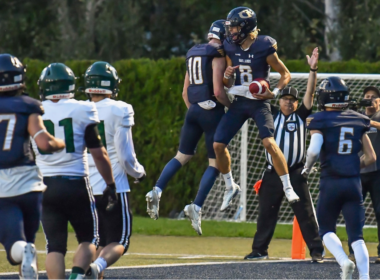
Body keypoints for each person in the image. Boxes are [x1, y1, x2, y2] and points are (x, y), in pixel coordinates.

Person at [145, 20, 233, 234]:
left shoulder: (193, 51)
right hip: (211, 110)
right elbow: (218, 91)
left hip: (192, 110)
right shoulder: (217, 53)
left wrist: (196, 111)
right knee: (214, 163)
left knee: (181, 156)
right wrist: (232, 109)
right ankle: (196, 206)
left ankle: (157, 189)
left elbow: (185, 92)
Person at [32, 63, 117, 280]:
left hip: (45, 185)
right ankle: (77, 276)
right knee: (89, 239)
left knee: (55, 246)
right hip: (76, 183)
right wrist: (110, 184)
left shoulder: (33, 112)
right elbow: (99, 154)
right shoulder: (83, 109)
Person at [214, 7, 299, 212]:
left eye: (234, 27)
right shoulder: (229, 47)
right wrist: (226, 75)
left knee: (269, 143)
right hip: (240, 101)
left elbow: (285, 74)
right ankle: (229, 186)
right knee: (218, 145)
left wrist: (274, 93)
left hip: (259, 102)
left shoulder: (264, 46)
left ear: (245, 28)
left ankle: (288, 186)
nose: (231, 31)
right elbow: (227, 82)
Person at [245, 48, 324, 262]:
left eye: (292, 100)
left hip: (296, 172)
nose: (289, 102)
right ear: (279, 101)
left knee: (305, 213)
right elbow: (254, 100)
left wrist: (313, 69)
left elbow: (310, 93)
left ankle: (317, 250)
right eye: (285, 99)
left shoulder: (301, 116)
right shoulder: (269, 115)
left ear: (297, 104)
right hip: (272, 174)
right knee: (266, 214)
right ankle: (259, 250)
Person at [303, 77, 376, 280]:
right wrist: (352, 165)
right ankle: (365, 277)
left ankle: (344, 261)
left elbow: (314, 150)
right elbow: (371, 157)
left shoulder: (319, 119)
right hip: (353, 183)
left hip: (331, 182)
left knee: (326, 228)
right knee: (357, 237)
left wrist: (307, 168)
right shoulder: (357, 119)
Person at [0, 54, 65, 280]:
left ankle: (23, 252)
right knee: (28, 243)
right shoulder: (28, 106)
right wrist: (62, 143)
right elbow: (44, 143)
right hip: (30, 185)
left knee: (15, 249)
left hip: (3, 189)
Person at [83, 61, 146, 280]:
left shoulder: (79, 109)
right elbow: (125, 155)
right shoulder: (121, 109)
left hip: (86, 187)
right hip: (113, 186)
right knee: (120, 241)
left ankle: (94, 270)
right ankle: (96, 267)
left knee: (96, 241)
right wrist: (138, 173)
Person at [347, 86, 380, 264]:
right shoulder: (357, 117)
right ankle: (353, 250)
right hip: (359, 171)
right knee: (354, 211)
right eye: (366, 96)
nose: (369, 100)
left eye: (373, 97)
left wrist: (371, 123)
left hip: (378, 172)